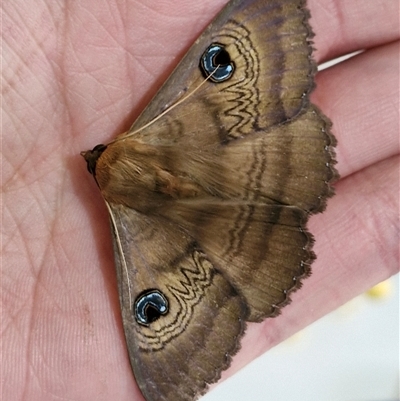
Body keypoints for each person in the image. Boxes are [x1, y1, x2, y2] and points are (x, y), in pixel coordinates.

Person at [2, 1, 399, 400]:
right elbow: (229, 52)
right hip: (264, 155)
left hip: (228, 228)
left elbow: (260, 18)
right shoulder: (148, 128)